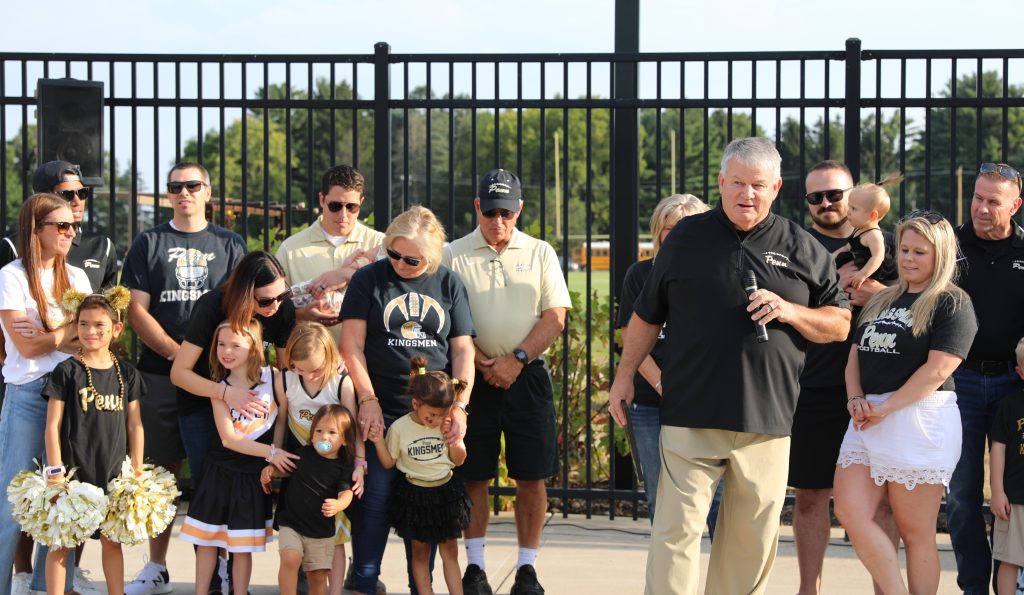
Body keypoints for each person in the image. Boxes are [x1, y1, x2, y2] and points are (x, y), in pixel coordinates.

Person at [608, 137, 851, 595]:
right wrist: (623, 378)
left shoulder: (801, 246)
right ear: (721, 182)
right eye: (737, 182)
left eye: (758, 185)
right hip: (691, 413)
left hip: (768, 420)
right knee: (674, 534)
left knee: (750, 542)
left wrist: (789, 310)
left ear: (776, 187)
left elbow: (839, 324)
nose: (747, 194)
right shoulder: (686, 237)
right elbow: (646, 314)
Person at [441, 169, 571, 595]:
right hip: (471, 378)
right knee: (472, 474)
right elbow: (443, 316)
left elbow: (555, 317)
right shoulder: (452, 253)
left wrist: (516, 359)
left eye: (507, 212)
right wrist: (480, 361)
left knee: (531, 476)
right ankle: (475, 568)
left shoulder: (540, 253)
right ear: (477, 207)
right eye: (491, 211)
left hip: (527, 375)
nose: (499, 221)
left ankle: (527, 570)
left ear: (519, 210)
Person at [834, 212, 978, 594]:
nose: (909, 259)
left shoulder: (952, 303)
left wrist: (886, 407)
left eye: (920, 252)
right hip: (866, 416)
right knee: (850, 511)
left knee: (916, 532)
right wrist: (856, 400)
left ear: (941, 255)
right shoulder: (882, 298)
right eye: (905, 250)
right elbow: (854, 355)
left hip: (918, 418)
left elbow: (936, 371)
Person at [121, 162, 247, 595]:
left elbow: (239, 309)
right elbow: (136, 310)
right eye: (175, 187)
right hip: (159, 376)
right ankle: (156, 566)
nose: (183, 192)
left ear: (208, 191)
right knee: (161, 475)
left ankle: (220, 568)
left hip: (216, 379)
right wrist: (179, 357)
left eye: (192, 185)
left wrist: (205, 361)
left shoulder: (230, 244)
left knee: (219, 469)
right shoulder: (149, 242)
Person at [340, 205, 475, 595]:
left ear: (431, 258)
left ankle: (422, 588)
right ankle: (364, 581)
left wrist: (459, 408)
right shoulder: (369, 279)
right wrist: (367, 399)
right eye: (393, 254)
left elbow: (463, 351)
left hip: (433, 414)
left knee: (427, 504)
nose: (399, 263)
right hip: (382, 411)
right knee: (377, 501)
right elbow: (352, 345)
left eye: (411, 259)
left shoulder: (448, 283)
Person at [1, 161, 118, 595]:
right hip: (29, 393)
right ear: (37, 228)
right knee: (11, 502)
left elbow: (88, 341)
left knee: (65, 499)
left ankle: (49, 588)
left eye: (73, 224)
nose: (72, 231)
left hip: (73, 392)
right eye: (62, 225)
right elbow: (28, 349)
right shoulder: (11, 277)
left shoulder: (79, 276)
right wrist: (62, 334)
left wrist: (53, 333)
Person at [790, 161, 898, 595]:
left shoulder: (889, 245)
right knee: (812, 495)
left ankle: (885, 590)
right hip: (813, 383)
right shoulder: (794, 245)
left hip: (877, 386)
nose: (827, 203)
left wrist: (879, 294)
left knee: (883, 503)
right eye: (816, 197)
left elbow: (921, 303)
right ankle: (808, 589)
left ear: (857, 196)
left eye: (835, 194)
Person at [615, 193, 723, 533]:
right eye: (668, 228)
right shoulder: (640, 274)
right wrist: (663, 384)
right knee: (659, 496)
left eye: (685, 227)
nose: (675, 235)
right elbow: (630, 337)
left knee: (717, 497)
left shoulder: (718, 274)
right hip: (651, 403)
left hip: (706, 403)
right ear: (658, 232)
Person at [947, 162, 1024, 595]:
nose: (981, 208)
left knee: (1014, 495)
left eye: (993, 201)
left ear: (1015, 205)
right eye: (977, 197)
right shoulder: (951, 246)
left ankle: (1009, 585)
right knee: (960, 495)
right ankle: (973, 587)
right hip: (960, 382)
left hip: (1016, 387)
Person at [179, 320, 298, 595]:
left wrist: (272, 459)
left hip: (252, 476)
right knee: (208, 539)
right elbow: (228, 438)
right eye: (221, 344)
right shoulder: (218, 387)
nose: (226, 351)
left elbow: (281, 418)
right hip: (219, 472)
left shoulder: (274, 376)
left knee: (242, 545)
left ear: (254, 346)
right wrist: (271, 453)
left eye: (235, 345)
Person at [41, 289, 145, 595]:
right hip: (74, 472)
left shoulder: (127, 374)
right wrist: (56, 471)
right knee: (63, 542)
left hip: (112, 471)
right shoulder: (66, 371)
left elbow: (135, 424)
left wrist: (136, 470)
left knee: (112, 541)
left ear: (117, 329)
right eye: (84, 324)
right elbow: (52, 426)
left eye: (99, 325)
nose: (91, 331)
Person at [368, 355, 471, 595]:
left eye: (442, 414)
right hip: (415, 495)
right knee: (420, 554)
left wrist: (453, 439)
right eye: (431, 415)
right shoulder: (400, 428)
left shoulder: (446, 423)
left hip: (446, 493)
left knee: (450, 553)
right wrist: (377, 441)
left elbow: (459, 460)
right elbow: (388, 462)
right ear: (416, 404)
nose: (435, 421)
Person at [279, 322, 364, 595]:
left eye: (316, 370)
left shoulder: (341, 384)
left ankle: (335, 591)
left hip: (333, 472)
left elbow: (353, 431)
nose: (309, 376)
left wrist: (359, 465)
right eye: (299, 368)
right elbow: (281, 422)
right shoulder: (286, 380)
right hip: (303, 473)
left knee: (335, 540)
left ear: (330, 357)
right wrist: (273, 454)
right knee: (299, 541)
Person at [275, 165, 385, 334]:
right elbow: (272, 309)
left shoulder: (379, 243)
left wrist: (348, 273)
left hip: (365, 358)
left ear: (361, 203)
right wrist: (304, 315)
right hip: (305, 358)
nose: (343, 215)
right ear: (321, 199)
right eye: (335, 205)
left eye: (351, 207)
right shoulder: (290, 250)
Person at [261, 404, 356, 595]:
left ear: (344, 440)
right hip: (292, 523)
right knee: (290, 557)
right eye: (319, 431)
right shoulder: (303, 454)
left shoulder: (343, 467)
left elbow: (347, 493)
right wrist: (271, 470)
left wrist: (339, 504)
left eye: (332, 432)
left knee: (318, 575)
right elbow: (285, 469)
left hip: (321, 531)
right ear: (312, 435)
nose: (324, 437)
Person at [0, 160, 119, 291]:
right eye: (67, 194)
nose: (77, 201)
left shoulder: (102, 246)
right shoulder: (13, 247)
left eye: (82, 193)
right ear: (43, 198)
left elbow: (109, 307)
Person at [989, 336, 1024, 595]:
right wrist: (997, 491)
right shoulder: (1009, 405)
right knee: (1010, 558)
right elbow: (997, 448)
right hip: (1015, 498)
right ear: (1020, 372)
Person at [832, 176, 899, 288]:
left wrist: (863, 274)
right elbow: (848, 246)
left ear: (872, 215)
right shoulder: (860, 229)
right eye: (849, 207)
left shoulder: (873, 235)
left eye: (854, 208)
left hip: (869, 277)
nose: (848, 212)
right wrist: (832, 256)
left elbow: (878, 257)